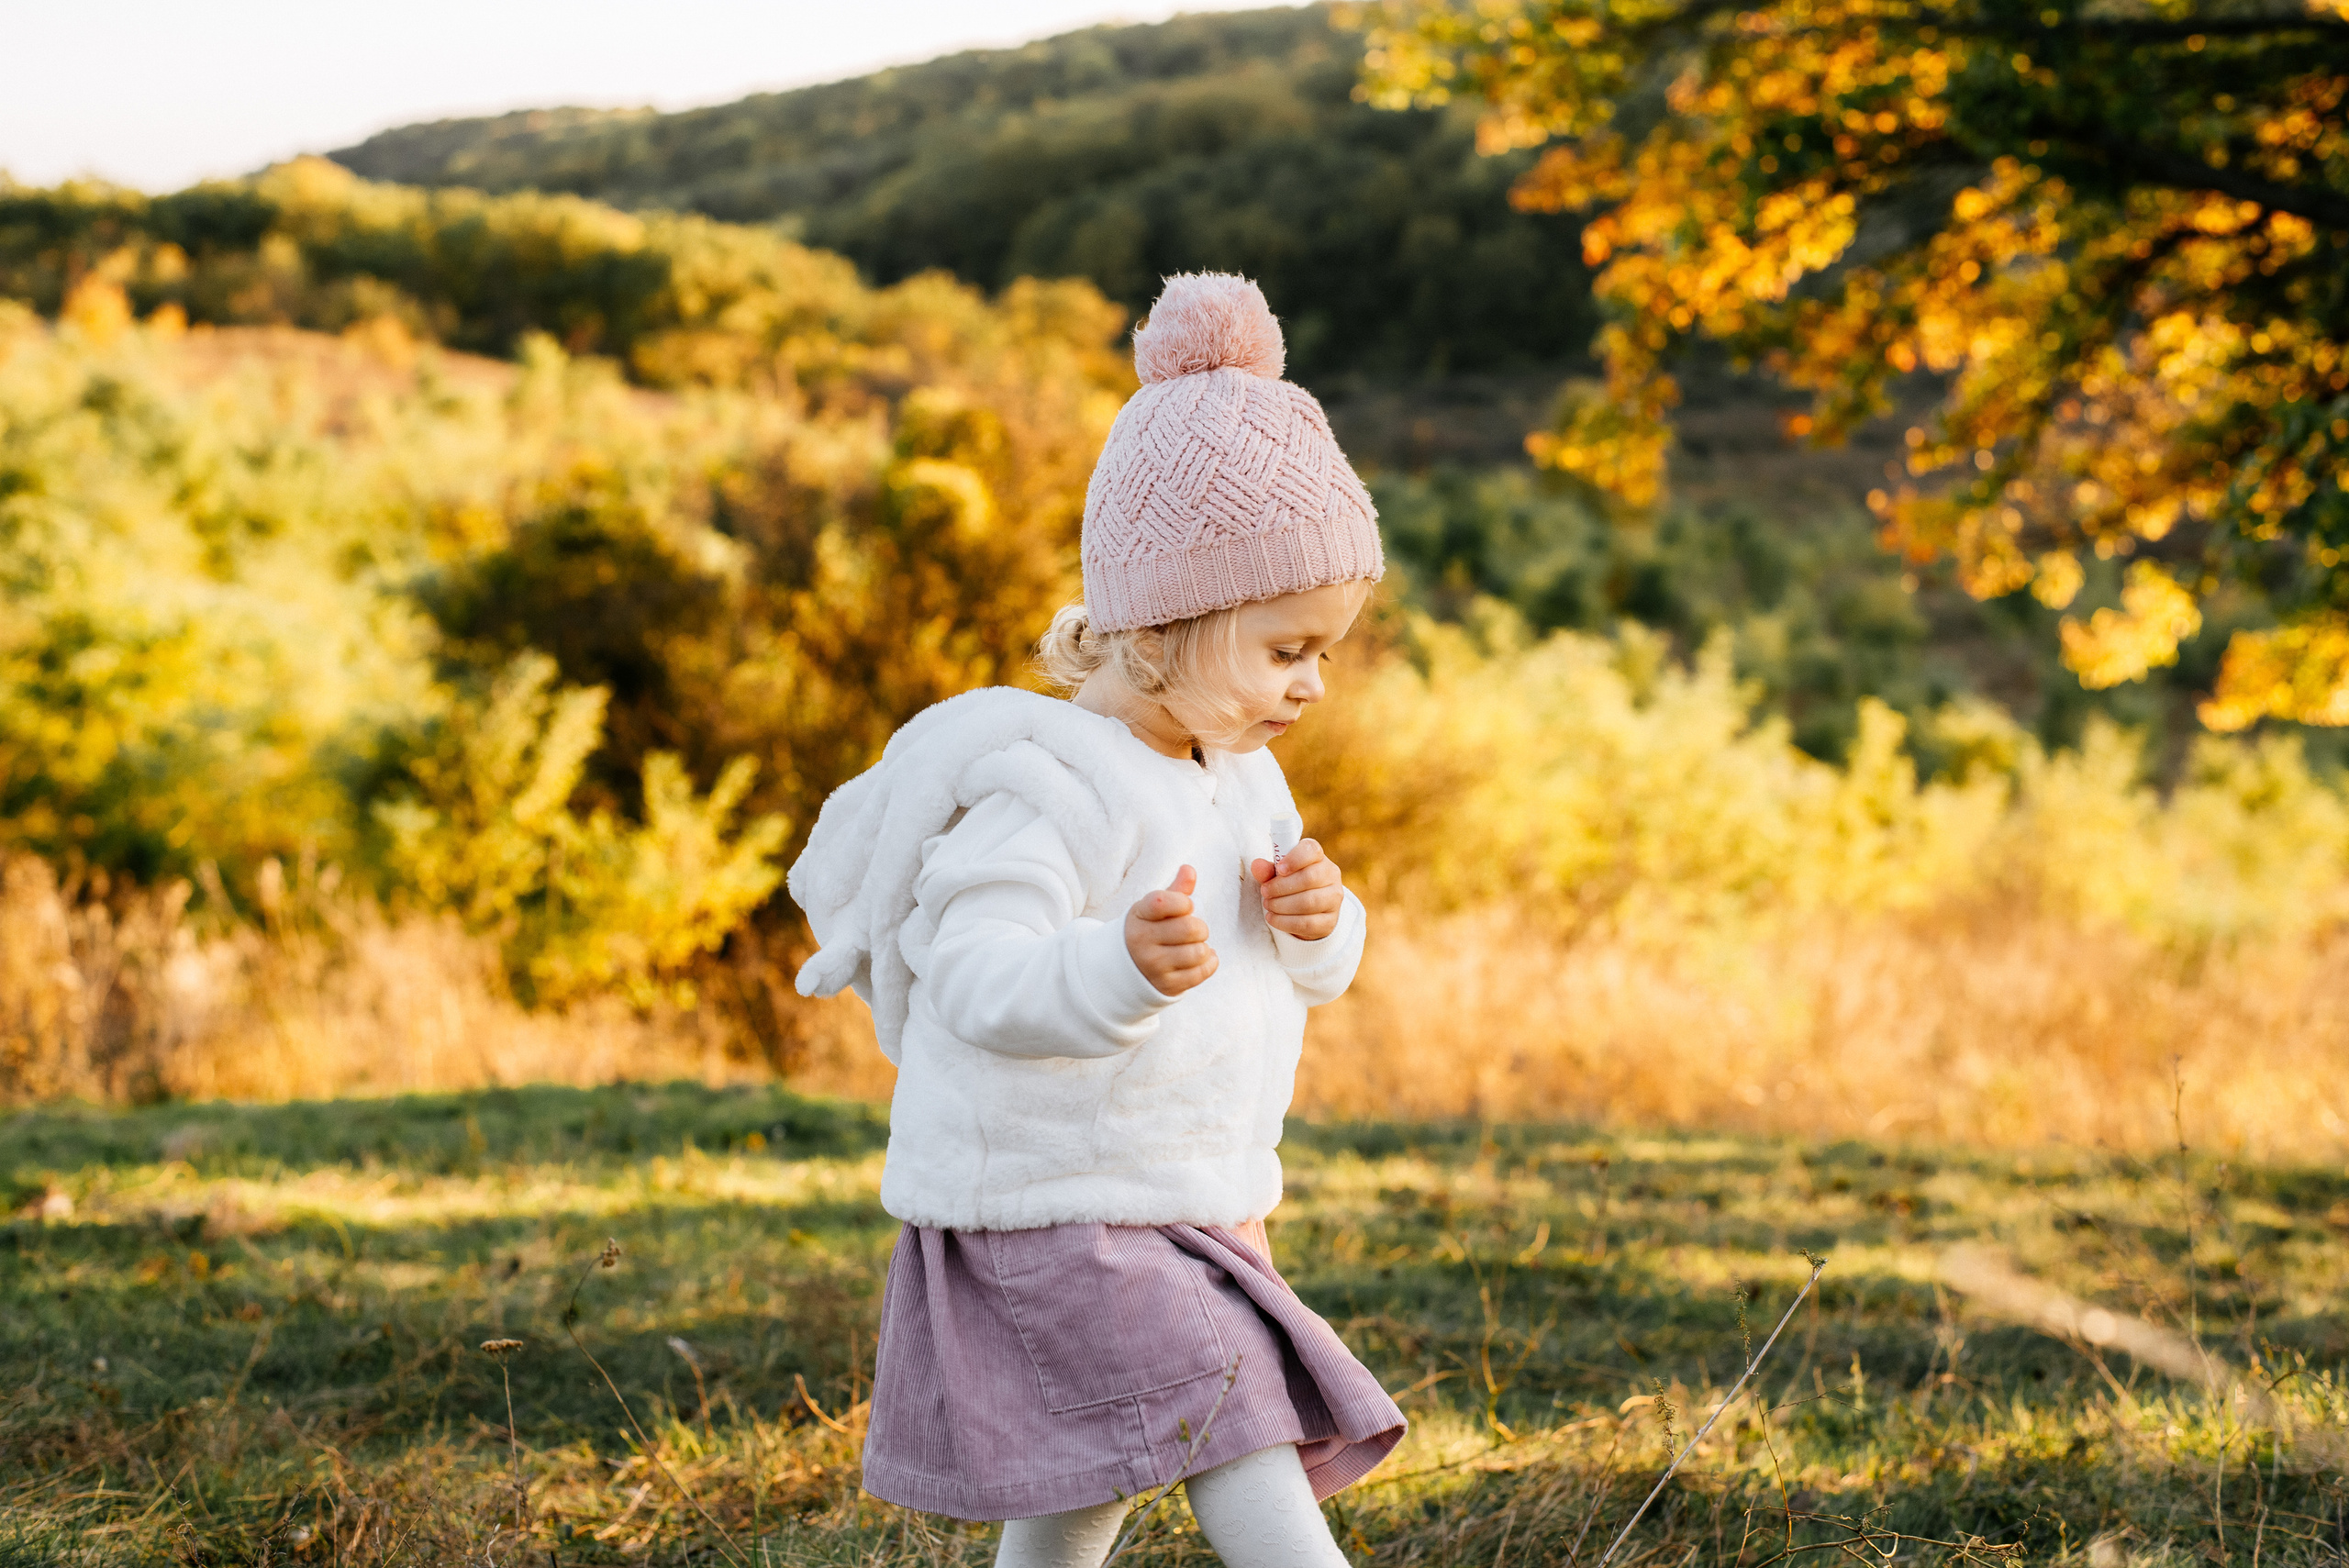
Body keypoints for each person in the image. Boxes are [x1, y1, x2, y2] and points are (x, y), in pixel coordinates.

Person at [789, 272, 1403, 1568]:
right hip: (1054, 1203)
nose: (1313, 682)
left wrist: (1318, 921)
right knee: (1231, 1419)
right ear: (1166, 624)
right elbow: (970, 973)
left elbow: (1308, 977)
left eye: (1326, 650)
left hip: (1180, 1191)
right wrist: (1109, 967)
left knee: (1095, 1474)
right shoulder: (1045, 783)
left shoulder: (1244, 778)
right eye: (1288, 646)